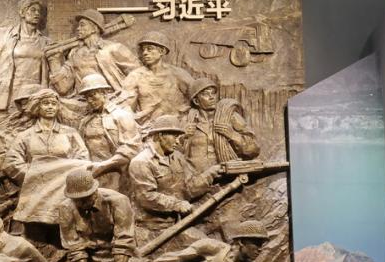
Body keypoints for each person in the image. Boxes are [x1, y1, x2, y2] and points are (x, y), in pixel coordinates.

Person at [127, 115, 224, 251]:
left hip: (177, 226)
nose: (178, 142)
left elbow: (189, 188)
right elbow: (146, 197)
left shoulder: (177, 157)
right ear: (160, 136)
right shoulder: (141, 162)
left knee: (213, 247)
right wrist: (177, 204)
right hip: (152, 232)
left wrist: (211, 174)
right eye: (175, 137)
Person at [3, 87, 90, 227]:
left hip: (65, 189)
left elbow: (82, 158)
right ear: (37, 106)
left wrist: (66, 175)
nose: (50, 107)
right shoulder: (25, 136)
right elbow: (11, 162)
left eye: (54, 103)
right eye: (46, 103)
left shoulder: (70, 133)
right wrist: (35, 175)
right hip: (35, 192)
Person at [77, 73, 142, 193]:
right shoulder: (84, 122)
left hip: (117, 174)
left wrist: (103, 166)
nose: (90, 100)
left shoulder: (122, 116)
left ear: (104, 92)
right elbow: (80, 148)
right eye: (87, 97)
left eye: (93, 95)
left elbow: (132, 149)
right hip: (91, 175)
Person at [51, 8, 137, 97]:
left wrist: (126, 95)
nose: (78, 29)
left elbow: (139, 73)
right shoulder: (75, 55)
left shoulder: (114, 48)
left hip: (112, 99)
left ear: (94, 28)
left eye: (82, 25)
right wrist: (53, 60)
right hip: (82, 101)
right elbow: (62, 89)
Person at [184, 75, 260, 173]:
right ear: (196, 101)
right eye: (206, 94)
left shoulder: (230, 117)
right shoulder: (188, 121)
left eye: (213, 93)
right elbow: (172, 154)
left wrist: (233, 135)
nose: (211, 97)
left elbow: (254, 150)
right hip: (195, 176)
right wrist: (183, 137)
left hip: (225, 176)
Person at [120, 31, 193, 126]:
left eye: (149, 49)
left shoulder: (178, 74)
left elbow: (197, 96)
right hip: (148, 127)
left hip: (177, 126)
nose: (145, 53)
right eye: (143, 50)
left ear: (162, 51)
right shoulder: (135, 76)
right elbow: (125, 106)